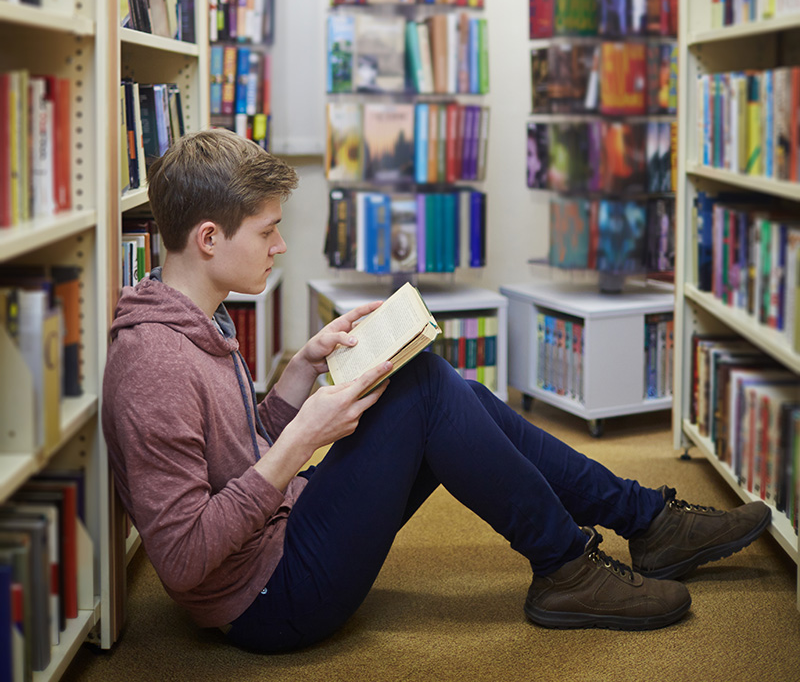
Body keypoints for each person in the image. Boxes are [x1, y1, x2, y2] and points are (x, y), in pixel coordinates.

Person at [102, 129, 771, 653]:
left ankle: (644, 523)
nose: (279, 246)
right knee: (425, 386)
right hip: (269, 601)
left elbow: (237, 451)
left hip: (282, 535)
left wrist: (299, 373)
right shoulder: (154, 364)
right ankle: (577, 563)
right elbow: (185, 560)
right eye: (268, 231)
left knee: (446, 389)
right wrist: (306, 433)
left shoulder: (199, 316)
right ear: (209, 238)